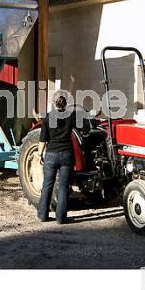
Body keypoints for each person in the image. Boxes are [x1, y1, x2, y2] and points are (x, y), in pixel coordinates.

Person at [37, 92, 88, 224]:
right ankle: (61, 218)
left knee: (47, 184)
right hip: (66, 155)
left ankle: (43, 215)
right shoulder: (71, 116)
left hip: (51, 155)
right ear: (65, 105)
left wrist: (39, 154)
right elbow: (84, 128)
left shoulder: (48, 117)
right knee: (64, 186)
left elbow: (43, 139)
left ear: (54, 104)